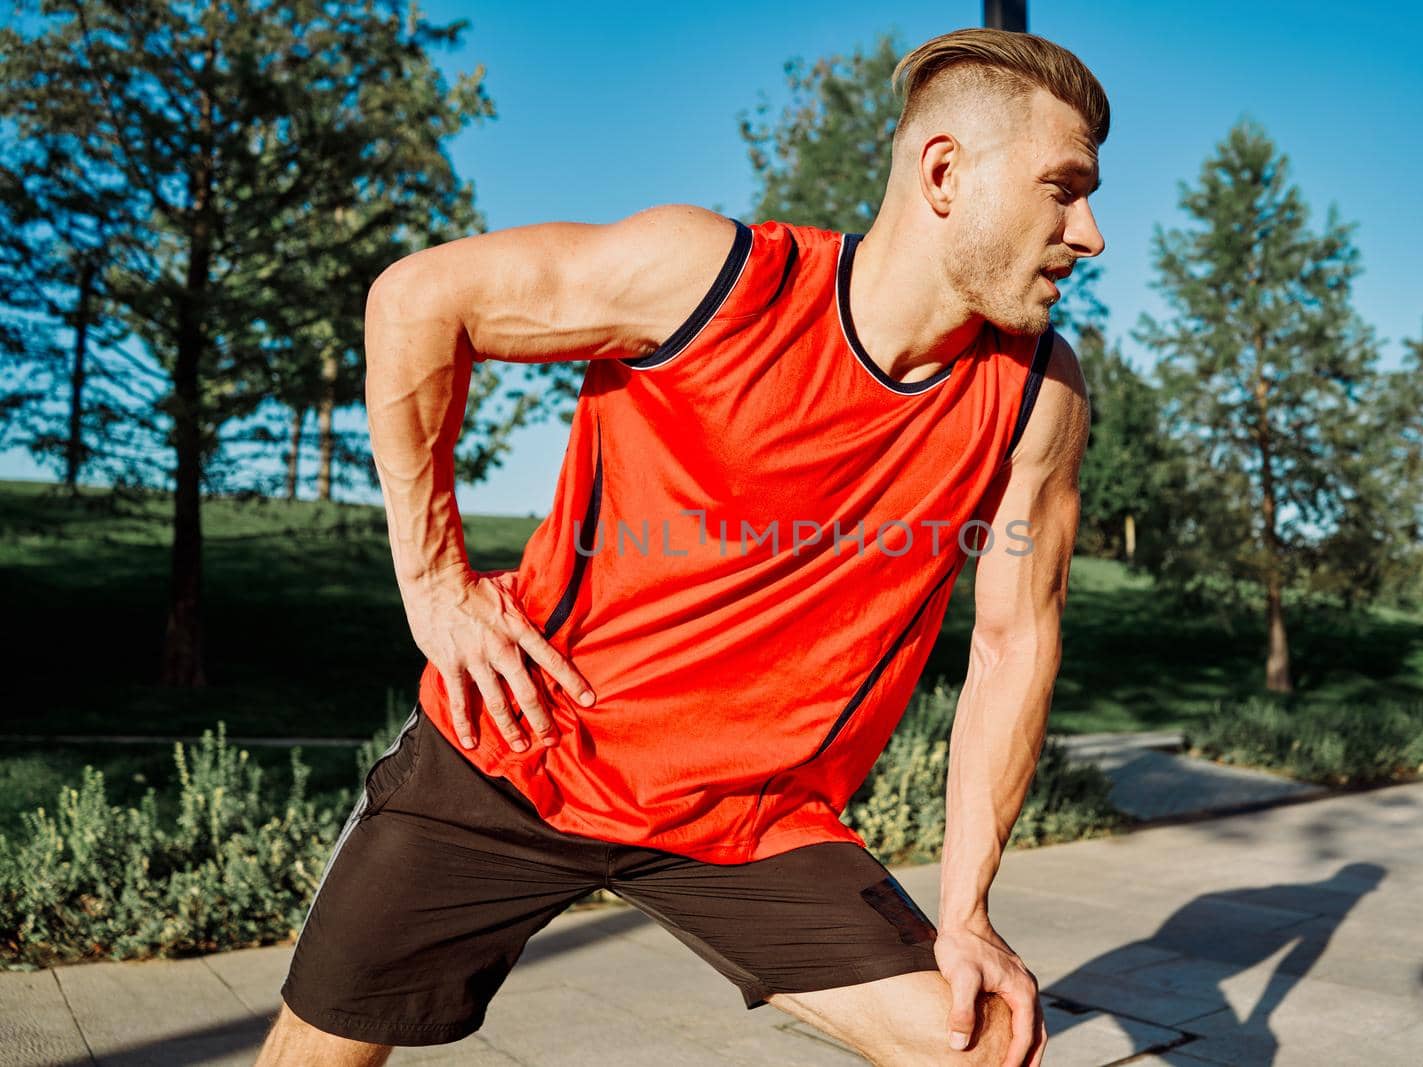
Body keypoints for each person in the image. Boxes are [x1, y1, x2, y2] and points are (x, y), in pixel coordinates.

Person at [254, 24, 1103, 1067]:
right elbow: (420, 298)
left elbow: (1012, 647)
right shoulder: (713, 276)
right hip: (521, 753)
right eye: (1063, 188)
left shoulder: (1037, 395)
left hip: (751, 818)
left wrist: (965, 909)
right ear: (943, 172)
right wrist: (434, 584)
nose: (1090, 230)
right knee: (317, 1054)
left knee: (982, 1035)